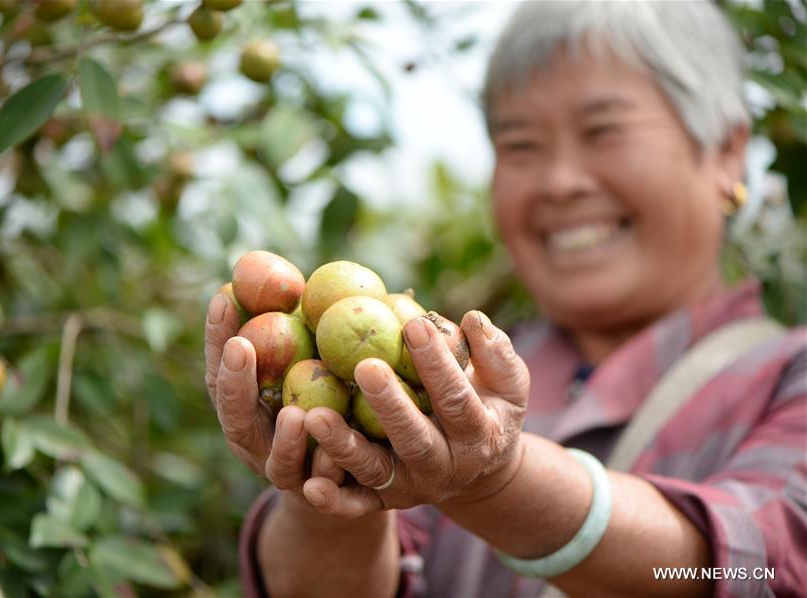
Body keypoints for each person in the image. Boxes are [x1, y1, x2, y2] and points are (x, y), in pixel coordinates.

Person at [204, 2, 807, 596]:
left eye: (604, 130)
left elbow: (763, 566)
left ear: (727, 152)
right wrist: (326, 474)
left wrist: (495, 481)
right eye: (519, 144)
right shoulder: (447, 373)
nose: (559, 182)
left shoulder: (789, 378)